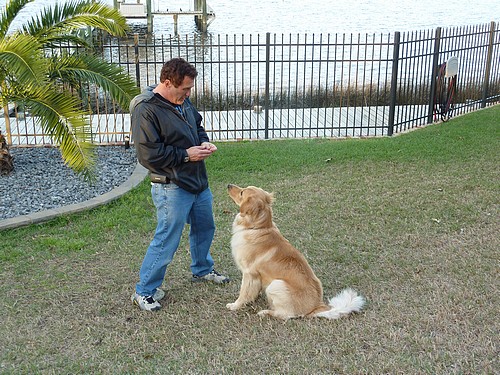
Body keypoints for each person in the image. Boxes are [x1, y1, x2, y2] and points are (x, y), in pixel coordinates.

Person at [129, 57, 229, 312]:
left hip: (197, 181)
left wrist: (204, 142)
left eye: (190, 89)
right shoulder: (146, 108)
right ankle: (144, 291)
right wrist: (186, 155)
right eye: (184, 89)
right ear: (166, 82)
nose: (188, 93)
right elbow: (148, 155)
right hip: (171, 186)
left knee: (205, 227)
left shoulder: (182, 100)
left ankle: (202, 270)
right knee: (167, 238)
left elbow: (196, 125)